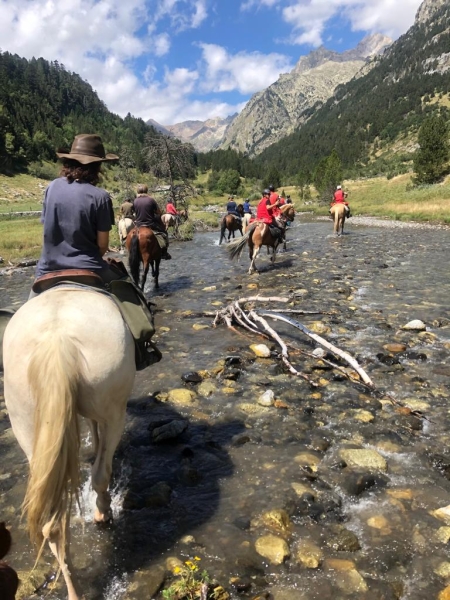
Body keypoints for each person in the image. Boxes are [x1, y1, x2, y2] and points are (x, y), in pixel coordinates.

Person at [32, 134, 161, 370]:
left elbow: (47, 230)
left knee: (25, 316)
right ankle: (143, 352)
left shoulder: (51, 188)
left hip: (47, 269)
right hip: (88, 268)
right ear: (97, 167)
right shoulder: (100, 197)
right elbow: (101, 246)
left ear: (69, 162)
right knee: (132, 294)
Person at [134, 184, 171, 259]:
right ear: (146, 191)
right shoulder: (151, 199)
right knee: (164, 234)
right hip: (150, 224)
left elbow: (134, 212)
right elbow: (158, 212)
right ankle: (164, 252)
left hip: (138, 225)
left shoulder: (135, 200)